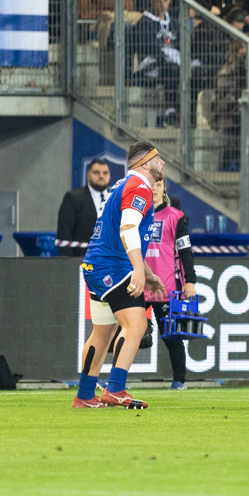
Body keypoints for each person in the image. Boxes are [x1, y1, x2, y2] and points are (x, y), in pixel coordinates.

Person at [74, 142, 167, 409]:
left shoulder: (122, 185)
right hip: (113, 267)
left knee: (102, 335)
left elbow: (118, 230)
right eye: (157, 158)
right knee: (136, 325)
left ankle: (84, 396)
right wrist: (138, 269)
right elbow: (128, 229)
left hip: (96, 265)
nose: (162, 163)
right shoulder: (140, 187)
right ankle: (115, 390)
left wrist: (146, 272)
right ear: (145, 163)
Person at [143, 176, 195, 390]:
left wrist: (190, 281)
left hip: (166, 288)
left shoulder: (176, 216)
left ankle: (179, 381)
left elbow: (185, 251)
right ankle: (117, 382)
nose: (154, 189)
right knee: (131, 334)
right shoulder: (135, 217)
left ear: (164, 188)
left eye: (158, 184)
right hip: (139, 285)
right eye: (150, 184)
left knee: (172, 336)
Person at [57, 158, 113, 256]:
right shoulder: (73, 198)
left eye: (105, 173)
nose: (101, 176)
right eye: (96, 172)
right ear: (88, 175)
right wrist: (68, 265)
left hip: (112, 262)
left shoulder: (117, 199)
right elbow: (64, 234)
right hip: (82, 262)